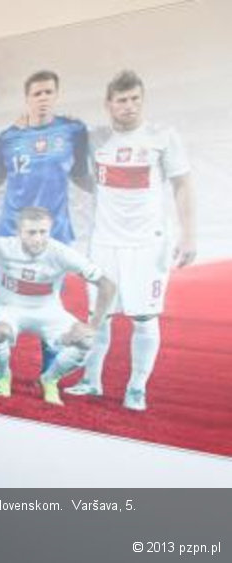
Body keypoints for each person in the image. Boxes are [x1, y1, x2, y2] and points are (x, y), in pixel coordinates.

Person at [65, 70, 195, 411]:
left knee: (144, 318)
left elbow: (182, 185)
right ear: (109, 104)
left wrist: (189, 234)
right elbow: (79, 172)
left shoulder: (162, 137)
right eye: (122, 100)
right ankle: (91, 380)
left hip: (148, 245)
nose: (129, 106)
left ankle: (137, 387)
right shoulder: (97, 139)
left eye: (135, 99)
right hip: (105, 243)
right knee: (100, 315)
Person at [0, 70, 90, 381]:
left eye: (49, 92)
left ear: (57, 96)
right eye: (37, 93)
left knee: (49, 302)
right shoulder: (7, 138)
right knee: (6, 298)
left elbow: (80, 175)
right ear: (26, 98)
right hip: (10, 231)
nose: (43, 98)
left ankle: (48, 367)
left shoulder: (73, 131)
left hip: (54, 233)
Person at [0, 207, 116, 405]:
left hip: (48, 312)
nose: (38, 238)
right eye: (31, 232)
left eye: (43, 232)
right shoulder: (4, 247)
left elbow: (107, 285)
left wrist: (93, 326)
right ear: (19, 232)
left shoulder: (61, 252)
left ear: (50, 230)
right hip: (9, 309)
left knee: (86, 342)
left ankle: (49, 379)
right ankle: (3, 375)